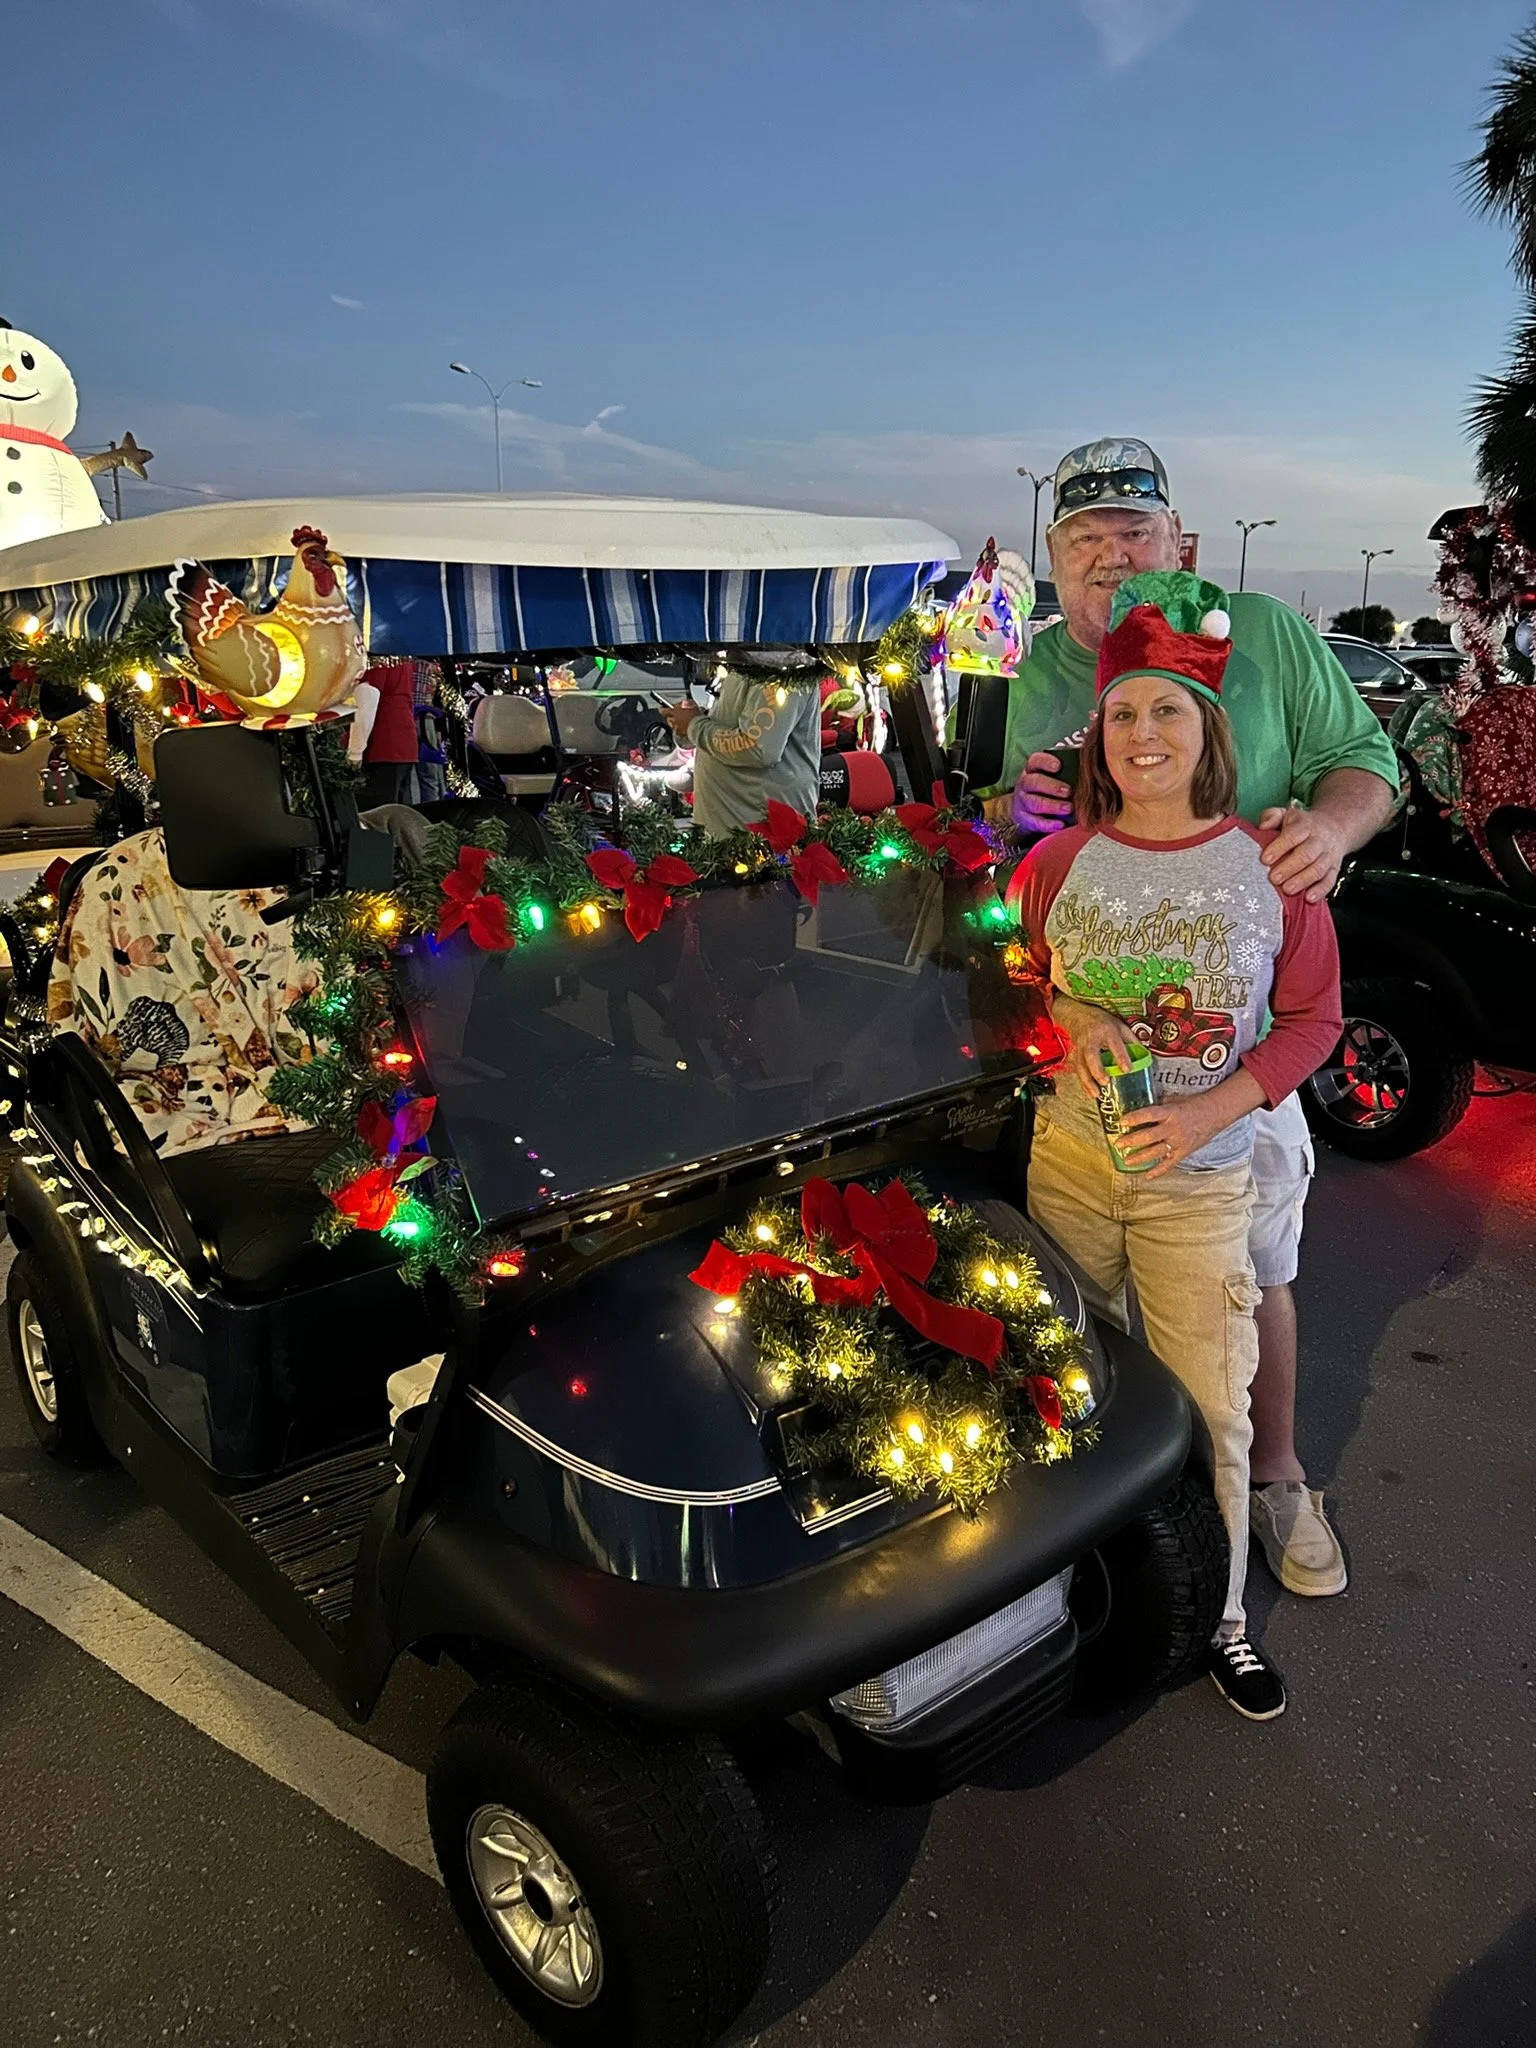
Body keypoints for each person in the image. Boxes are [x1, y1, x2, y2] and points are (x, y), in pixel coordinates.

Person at [990, 439, 1398, 1598]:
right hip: (1096, 1086)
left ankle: (1269, 1477)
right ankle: (1126, 1515)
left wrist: (1329, 830)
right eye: (1082, 541)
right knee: (1088, 1295)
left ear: (1183, 547)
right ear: (1054, 564)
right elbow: (1008, 857)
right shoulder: (1036, 676)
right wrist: (1012, 816)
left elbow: (1364, 761)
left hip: (1246, 1045)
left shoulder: (1263, 632)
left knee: (1252, 1272)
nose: (1111, 558)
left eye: (1133, 534)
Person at [1009, 570, 1341, 1718]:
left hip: (1199, 1183)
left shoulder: (1274, 869)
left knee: (1215, 1399)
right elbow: (1025, 979)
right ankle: (1052, 1587)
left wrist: (1210, 1110)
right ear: (1098, 734)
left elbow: (1314, 1021)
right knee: (1064, 1379)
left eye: (1168, 710)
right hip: (1071, 1164)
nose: (1143, 733)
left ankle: (1224, 1617)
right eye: (1122, 713)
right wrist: (1078, 1019)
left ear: (1208, 730)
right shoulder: (1058, 864)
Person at [663, 650, 822, 835]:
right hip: (734, 826)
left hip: (760, 831)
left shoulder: (780, 662)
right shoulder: (742, 660)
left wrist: (694, 725)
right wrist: (695, 719)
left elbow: (757, 748)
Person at [347, 658, 419, 810]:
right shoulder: (400, 658)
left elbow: (367, 699)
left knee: (377, 814)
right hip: (404, 742)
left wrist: (355, 750)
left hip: (382, 744)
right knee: (399, 812)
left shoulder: (377, 660)